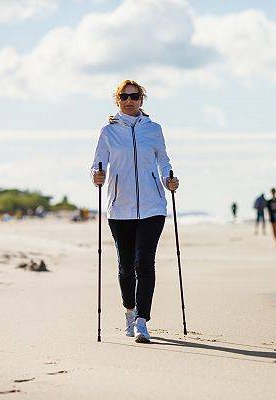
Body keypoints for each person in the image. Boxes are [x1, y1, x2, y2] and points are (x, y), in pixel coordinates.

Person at [91, 79, 179, 344]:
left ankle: (142, 320)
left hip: (153, 206)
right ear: (117, 100)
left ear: (142, 99)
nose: (130, 100)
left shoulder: (153, 129)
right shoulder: (108, 131)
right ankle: (129, 311)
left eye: (135, 96)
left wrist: (168, 179)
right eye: (125, 96)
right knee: (126, 267)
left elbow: (163, 160)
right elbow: (97, 163)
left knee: (144, 263)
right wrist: (97, 175)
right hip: (120, 209)